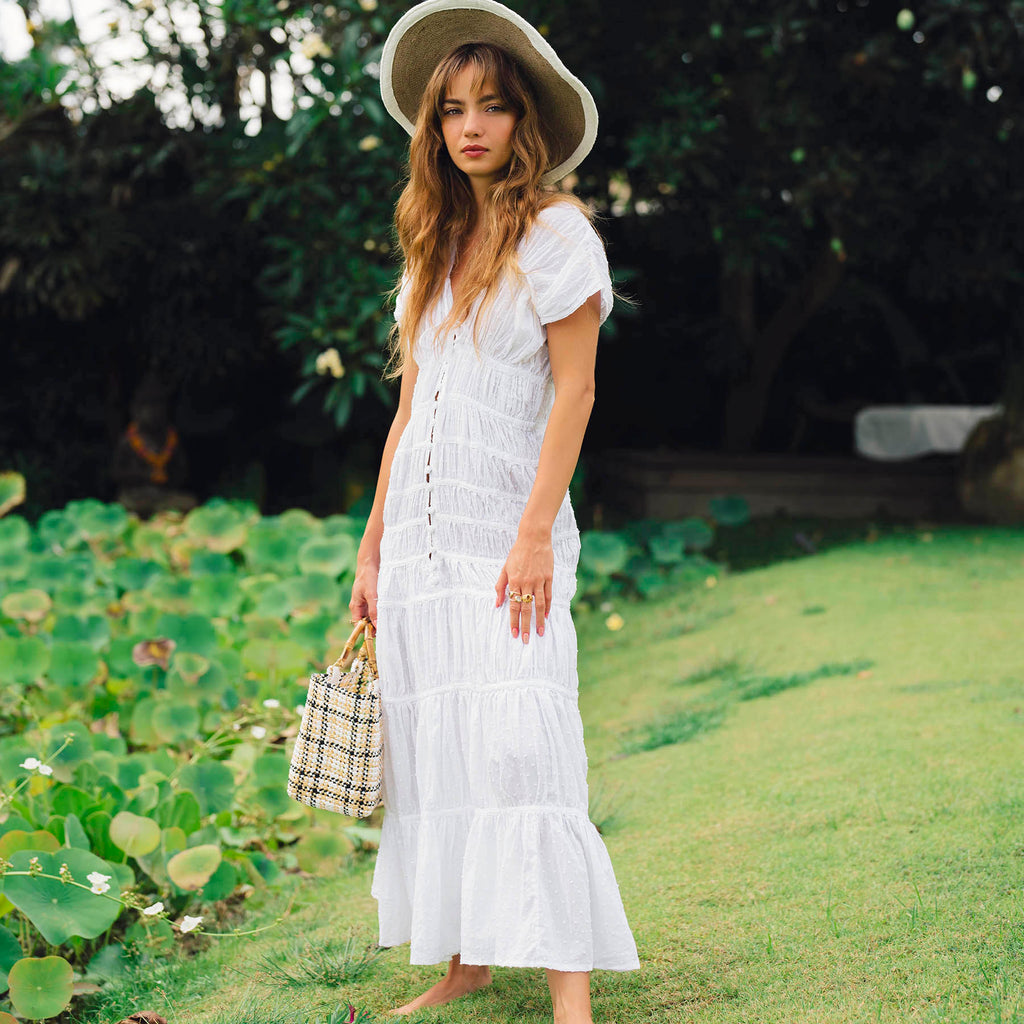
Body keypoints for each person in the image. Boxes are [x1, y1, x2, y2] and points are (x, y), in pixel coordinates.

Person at [349, 2, 640, 1020]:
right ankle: (466, 961)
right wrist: (371, 548)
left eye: (492, 108)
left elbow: (576, 394)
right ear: (433, 131)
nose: (470, 127)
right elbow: (410, 412)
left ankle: (571, 999)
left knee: (524, 750)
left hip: (506, 541)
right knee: (442, 755)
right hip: (422, 554)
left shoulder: (559, 233)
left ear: (525, 123)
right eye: (452, 112)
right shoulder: (432, 242)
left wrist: (529, 539)